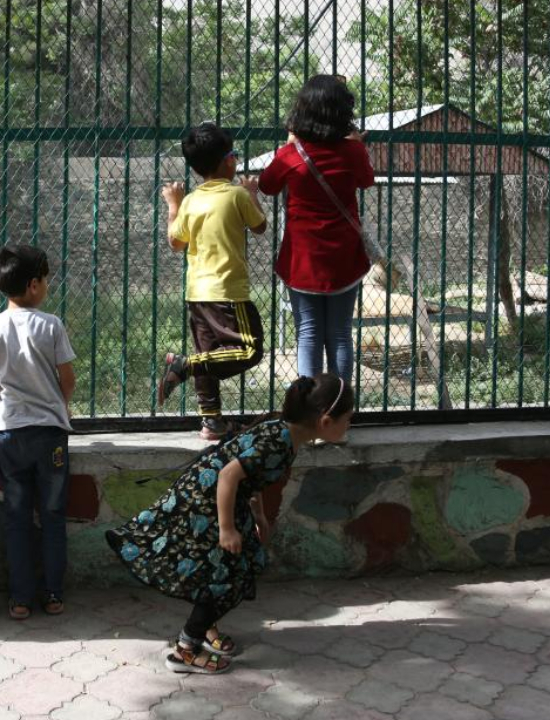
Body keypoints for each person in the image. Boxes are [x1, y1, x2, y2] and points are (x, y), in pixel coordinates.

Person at [107, 373, 353, 674]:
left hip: (220, 498)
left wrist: (258, 515)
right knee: (228, 575)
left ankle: (204, 628)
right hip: (207, 502)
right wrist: (226, 529)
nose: (349, 425)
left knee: (231, 567)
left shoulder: (283, 432)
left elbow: (251, 475)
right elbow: (228, 475)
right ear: (325, 421)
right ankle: (185, 651)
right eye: (347, 419)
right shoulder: (279, 442)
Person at [0, 244, 77, 620]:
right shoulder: (51, 325)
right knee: (52, 514)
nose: (47, 285)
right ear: (34, 284)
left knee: (16, 516)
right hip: (50, 435)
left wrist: (4, 412)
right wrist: (57, 405)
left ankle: (20, 599)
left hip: (10, 435)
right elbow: (67, 379)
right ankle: (53, 594)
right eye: (46, 279)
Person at [259, 74, 376, 382]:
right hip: (344, 258)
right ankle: (339, 405)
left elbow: (266, 185)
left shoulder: (290, 156)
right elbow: (366, 180)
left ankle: (310, 405)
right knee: (340, 333)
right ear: (342, 112)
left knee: (308, 333)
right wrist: (357, 145)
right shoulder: (352, 152)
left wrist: (289, 146)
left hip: (303, 260)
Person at [157, 122, 270, 441]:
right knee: (250, 350)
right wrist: (252, 192)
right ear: (229, 161)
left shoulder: (191, 201)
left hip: (197, 293)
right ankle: (184, 365)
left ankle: (211, 422)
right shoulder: (237, 195)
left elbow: (175, 242)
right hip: (228, 292)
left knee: (208, 354)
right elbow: (260, 227)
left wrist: (173, 204)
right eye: (235, 155)